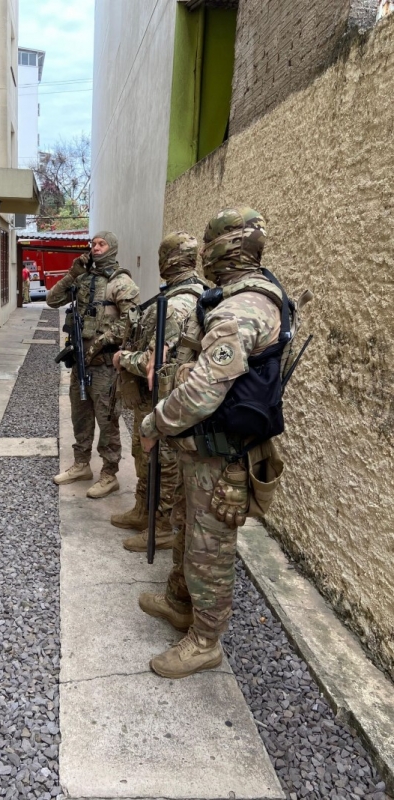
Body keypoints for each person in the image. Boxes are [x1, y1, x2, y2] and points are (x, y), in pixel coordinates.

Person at [138, 206, 288, 679]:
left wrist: (154, 423)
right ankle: (179, 602)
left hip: (221, 455)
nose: (203, 254)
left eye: (208, 244)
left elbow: (203, 393)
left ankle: (205, 640)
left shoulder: (240, 308)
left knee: (209, 549)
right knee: (187, 530)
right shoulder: (245, 297)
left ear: (225, 247)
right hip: (204, 448)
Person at [110, 231, 206, 551]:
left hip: (164, 396)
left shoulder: (178, 304)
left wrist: (123, 358)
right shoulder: (194, 293)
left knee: (160, 461)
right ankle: (143, 510)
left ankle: (162, 526)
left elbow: (154, 360)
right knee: (145, 456)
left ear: (168, 260)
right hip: (167, 394)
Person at [47, 231, 140, 498]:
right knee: (80, 415)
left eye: (102, 244)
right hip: (80, 363)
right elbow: (52, 299)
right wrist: (71, 275)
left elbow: (133, 320)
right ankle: (81, 464)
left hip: (105, 366)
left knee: (107, 419)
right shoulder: (82, 279)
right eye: (94, 244)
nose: (96, 248)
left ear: (112, 248)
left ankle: (109, 474)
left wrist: (103, 341)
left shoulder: (120, 282)